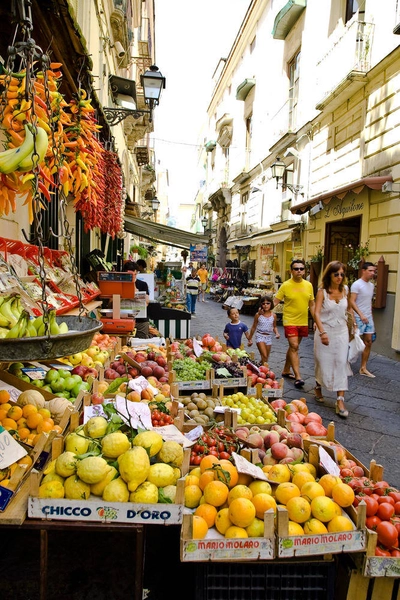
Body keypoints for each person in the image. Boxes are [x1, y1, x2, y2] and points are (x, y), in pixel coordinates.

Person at [313, 261, 353, 418]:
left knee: (341, 362)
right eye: (336, 274)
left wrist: (353, 324)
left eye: (342, 274)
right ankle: (318, 386)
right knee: (322, 362)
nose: (340, 277)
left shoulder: (346, 290)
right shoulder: (322, 291)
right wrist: (322, 332)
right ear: (329, 274)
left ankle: (340, 400)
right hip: (325, 330)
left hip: (341, 331)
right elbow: (316, 313)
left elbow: (348, 308)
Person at [273, 259, 315, 389]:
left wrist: (316, 321)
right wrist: (265, 311)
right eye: (296, 269)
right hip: (290, 320)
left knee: (293, 348)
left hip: (302, 321)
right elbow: (275, 301)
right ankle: (298, 377)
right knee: (294, 346)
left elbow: (312, 304)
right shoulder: (285, 285)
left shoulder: (309, 285)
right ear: (291, 271)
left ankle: (286, 369)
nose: (299, 271)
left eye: (301, 269)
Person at [350, 261, 377, 378]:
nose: (372, 273)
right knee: (352, 341)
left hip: (368, 317)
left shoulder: (371, 285)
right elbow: (351, 301)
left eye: (374, 271)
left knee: (369, 342)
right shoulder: (357, 284)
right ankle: (344, 363)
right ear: (363, 271)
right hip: (358, 316)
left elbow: (368, 302)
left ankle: (363, 368)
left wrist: (369, 314)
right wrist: (360, 315)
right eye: (370, 271)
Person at [122, 260, 150, 338]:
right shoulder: (120, 284)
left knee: (142, 342)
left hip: (141, 321)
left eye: (133, 274)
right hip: (124, 320)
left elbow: (147, 302)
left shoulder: (142, 284)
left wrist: (133, 286)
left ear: (136, 272)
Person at [248, 296, 280, 364]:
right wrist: (250, 338)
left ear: (271, 304)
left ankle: (259, 367)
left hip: (269, 337)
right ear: (261, 305)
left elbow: (274, 326)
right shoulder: (258, 315)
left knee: (265, 358)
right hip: (260, 336)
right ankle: (264, 371)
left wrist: (277, 333)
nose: (265, 305)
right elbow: (254, 327)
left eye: (268, 303)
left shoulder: (273, 315)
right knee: (264, 356)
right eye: (263, 303)